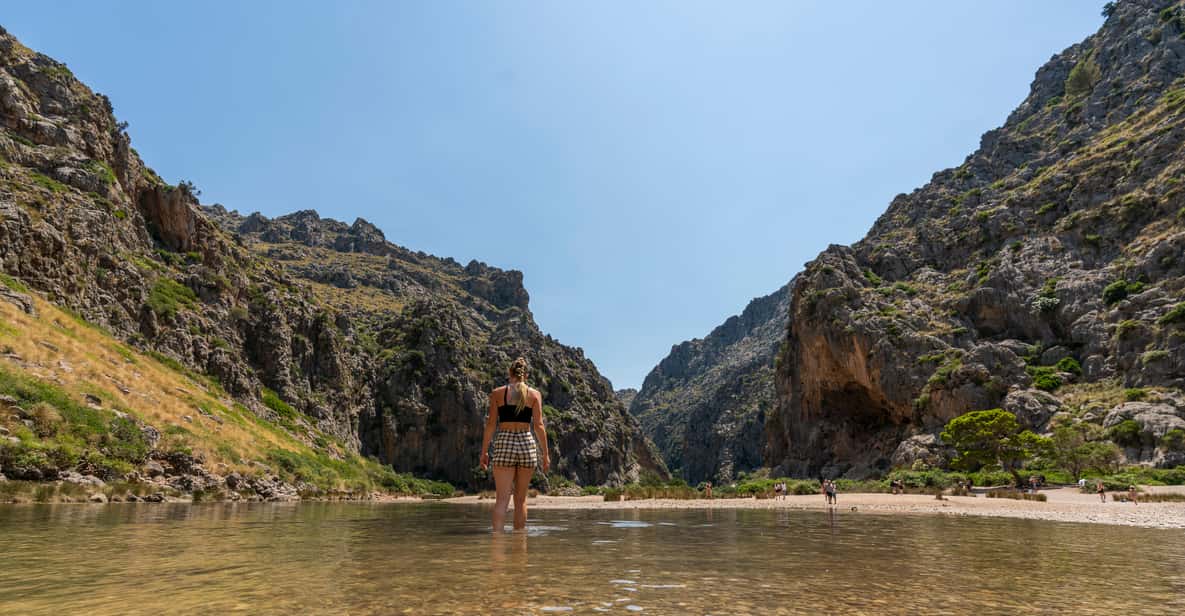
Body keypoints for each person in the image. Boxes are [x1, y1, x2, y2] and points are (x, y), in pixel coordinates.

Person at [480, 357, 550, 532]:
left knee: (502, 500)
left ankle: (497, 545)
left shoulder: (497, 393)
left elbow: (491, 425)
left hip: (504, 440)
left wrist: (484, 452)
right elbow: (539, 426)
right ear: (526, 375)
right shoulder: (534, 395)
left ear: (509, 373)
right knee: (521, 500)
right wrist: (545, 454)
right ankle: (520, 545)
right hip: (526, 442)